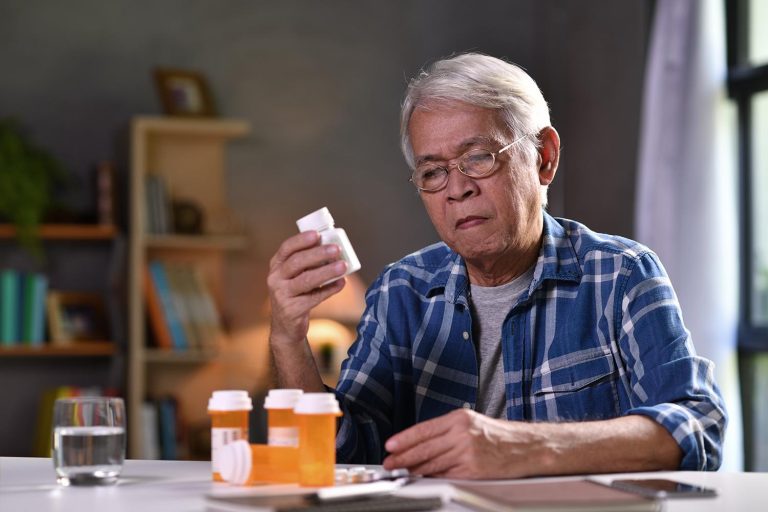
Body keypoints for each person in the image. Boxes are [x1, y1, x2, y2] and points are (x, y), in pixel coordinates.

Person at [267, 53, 727, 479]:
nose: (456, 189)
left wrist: (527, 447)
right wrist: (288, 338)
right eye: (433, 172)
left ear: (544, 158)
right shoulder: (400, 293)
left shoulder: (621, 275)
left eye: (478, 158)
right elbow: (340, 455)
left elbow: (696, 428)